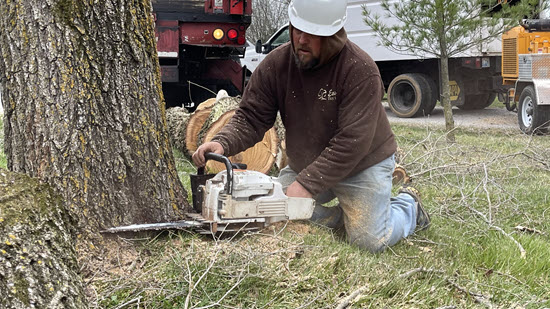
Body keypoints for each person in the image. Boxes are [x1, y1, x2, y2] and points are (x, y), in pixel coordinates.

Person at [192, 0, 430, 253]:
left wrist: (306, 184)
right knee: (271, 212)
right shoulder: (276, 65)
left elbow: (352, 141)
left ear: (333, 36)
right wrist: (222, 142)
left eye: (312, 34)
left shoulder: (360, 70)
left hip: (363, 164)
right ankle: (342, 219)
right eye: (297, 30)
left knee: (369, 242)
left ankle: (408, 207)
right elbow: (251, 116)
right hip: (306, 164)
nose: (301, 40)